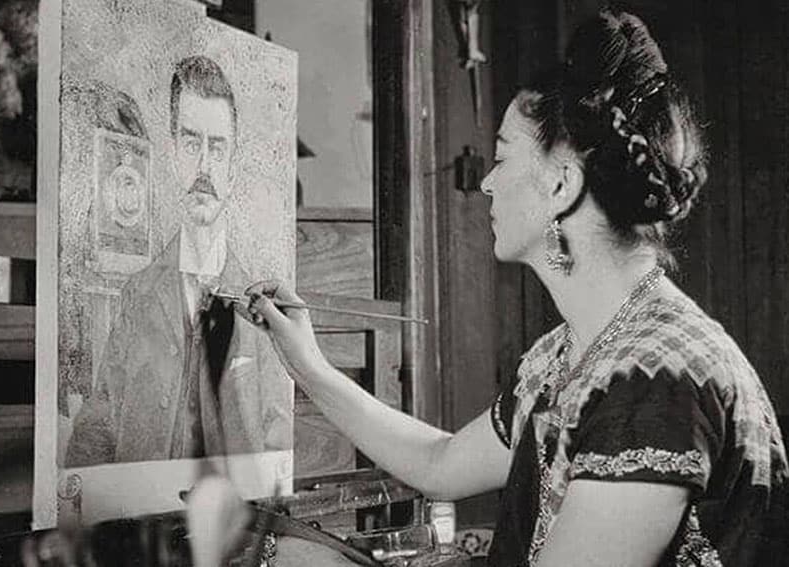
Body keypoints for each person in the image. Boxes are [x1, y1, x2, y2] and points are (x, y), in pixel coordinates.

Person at [238, 10, 789, 567]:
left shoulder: (658, 380)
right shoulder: (566, 356)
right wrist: (307, 364)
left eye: (501, 158)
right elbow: (442, 465)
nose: (485, 181)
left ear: (560, 184)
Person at [66, 55, 291, 466]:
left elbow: (280, 443)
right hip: (143, 522)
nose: (204, 166)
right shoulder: (138, 294)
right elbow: (97, 429)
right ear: (172, 155)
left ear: (233, 167)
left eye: (217, 147)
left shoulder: (263, 305)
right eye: (191, 143)